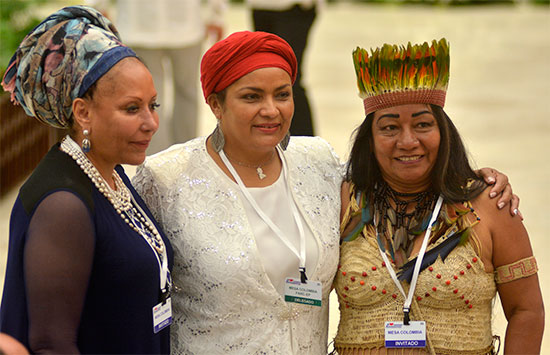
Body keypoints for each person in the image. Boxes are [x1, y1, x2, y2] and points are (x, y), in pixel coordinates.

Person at [133, 31, 517, 354]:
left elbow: (398, 172)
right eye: (252, 97)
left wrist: (476, 180)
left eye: (282, 95)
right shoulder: (167, 178)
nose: (271, 110)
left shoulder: (317, 162)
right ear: (215, 104)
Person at [333, 39, 544, 354]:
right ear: (370, 139)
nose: (408, 141)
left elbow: (527, 311)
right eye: (389, 128)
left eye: (422, 124)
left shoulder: (490, 204)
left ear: (444, 132)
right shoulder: (343, 201)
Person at [0, 6, 173, 353]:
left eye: (152, 105)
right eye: (131, 108)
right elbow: (52, 343)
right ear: (83, 112)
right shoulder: (63, 206)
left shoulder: (109, 170)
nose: (151, 122)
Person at [114, 0, 226, 153]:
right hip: (172, 24)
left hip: (142, 23)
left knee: (150, 96)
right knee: (176, 94)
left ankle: (164, 157)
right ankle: (179, 155)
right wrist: (216, 14)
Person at [247, 0, 321, 136]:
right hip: (261, 6)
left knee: (289, 77)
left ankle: (305, 144)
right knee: (266, 74)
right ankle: (273, 139)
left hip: (294, 8)